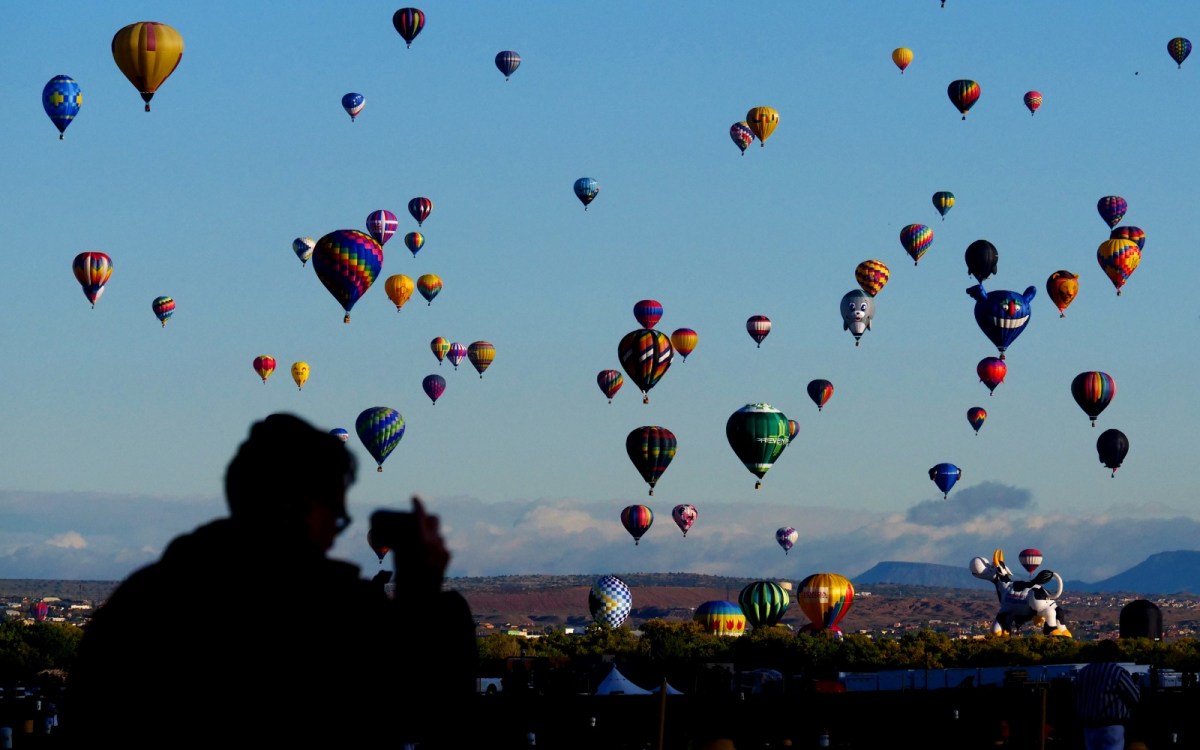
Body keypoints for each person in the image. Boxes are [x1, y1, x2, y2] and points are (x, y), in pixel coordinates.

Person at [64, 413, 477, 748]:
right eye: (333, 516)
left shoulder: (144, 596)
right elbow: (427, 714)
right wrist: (421, 591)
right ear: (296, 507)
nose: (334, 534)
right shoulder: (331, 607)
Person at [1073, 639, 1140, 750]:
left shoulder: (1083, 672)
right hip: (1112, 726)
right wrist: (1137, 683)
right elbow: (1135, 697)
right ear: (1114, 655)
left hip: (1089, 727)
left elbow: (1075, 697)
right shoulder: (1118, 672)